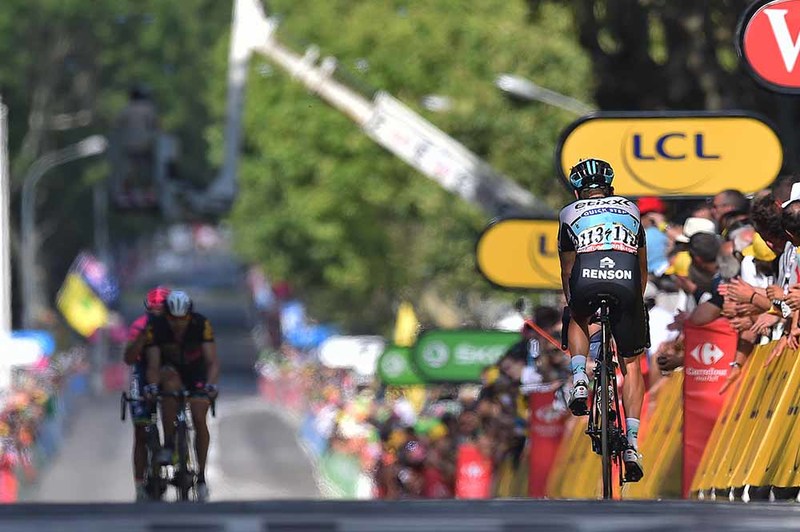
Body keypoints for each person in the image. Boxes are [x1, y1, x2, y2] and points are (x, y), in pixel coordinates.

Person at [557, 158, 649, 482]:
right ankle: (633, 444)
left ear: (576, 189)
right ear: (610, 186)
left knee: (576, 314)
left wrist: (574, 305)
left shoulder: (569, 212)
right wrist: (634, 304)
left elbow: (568, 270)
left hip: (587, 278)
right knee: (633, 364)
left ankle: (580, 379)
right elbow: (642, 268)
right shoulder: (633, 209)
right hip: (626, 281)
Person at [144, 290, 220, 502]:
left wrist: (211, 385)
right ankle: (169, 443)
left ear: (190, 316)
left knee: (198, 416)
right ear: (166, 316)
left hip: (197, 372)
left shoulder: (200, 324)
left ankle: (202, 476)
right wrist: (151, 385)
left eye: (183, 320)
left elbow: (212, 361)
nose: (178, 325)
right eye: (173, 320)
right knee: (169, 388)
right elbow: (153, 364)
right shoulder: (157, 328)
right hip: (172, 370)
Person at [123, 286, 170, 502]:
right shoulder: (140, 326)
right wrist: (142, 338)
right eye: (154, 312)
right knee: (140, 431)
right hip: (142, 374)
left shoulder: (181, 325)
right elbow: (129, 359)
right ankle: (140, 484)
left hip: (170, 371)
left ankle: (176, 446)